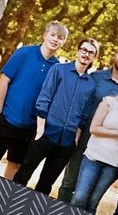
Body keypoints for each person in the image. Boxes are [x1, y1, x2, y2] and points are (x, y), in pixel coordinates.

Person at [0, 21, 69, 179]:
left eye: (60, 37)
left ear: (63, 42)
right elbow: (4, 80)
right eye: (53, 35)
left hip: (29, 128)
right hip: (5, 119)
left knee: (14, 167)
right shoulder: (24, 53)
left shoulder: (57, 68)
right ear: (44, 35)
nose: (55, 39)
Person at [13, 38, 99, 195]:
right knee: (23, 174)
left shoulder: (91, 84)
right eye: (84, 50)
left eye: (91, 52)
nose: (86, 54)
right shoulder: (59, 70)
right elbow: (43, 99)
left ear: (94, 57)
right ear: (78, 51)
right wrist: (40, 130)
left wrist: (75, 139)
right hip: (45, 133)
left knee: (46, 184)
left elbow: (84, 116)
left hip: (66, 142)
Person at [57, 42, 118, 203]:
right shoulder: (96, 77)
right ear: (116, 55)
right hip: (83, 140)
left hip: (107, 149)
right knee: (68, 183)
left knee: (87, 196)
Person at [70, 77, 118, 213]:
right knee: (79, 198)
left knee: (93, 203)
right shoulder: (108, 102)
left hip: (113, 164)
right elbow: (94, 128)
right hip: (93, 157)